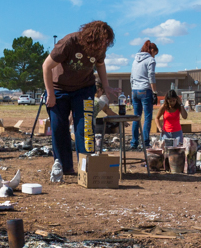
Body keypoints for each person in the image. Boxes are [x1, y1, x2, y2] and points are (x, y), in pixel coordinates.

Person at [41, 20, 113, 176]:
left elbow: (100, 65)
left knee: (85, 127)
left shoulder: (101, 49)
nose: (104, 46)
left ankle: (86, 168)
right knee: (59, 127)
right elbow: (46, 66)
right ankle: (64, 168)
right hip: (58, 89)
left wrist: (106, 86)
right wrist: (50, 93)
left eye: (107, 43)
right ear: (92, 37)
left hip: (84, 89)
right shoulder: (69, 42)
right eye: (101, 41)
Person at [130, 40, 159, 148]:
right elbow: (151, 76)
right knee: (147, 117)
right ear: (151, 50)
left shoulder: (135, 60)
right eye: (155, 53)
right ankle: (145, 142)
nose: (154, 56)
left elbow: (131, 77)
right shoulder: (150, 60)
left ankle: (134, 143)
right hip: (145, 90)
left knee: (136, 117)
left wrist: (133, 89)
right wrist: (154, 92)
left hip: (134, 90)